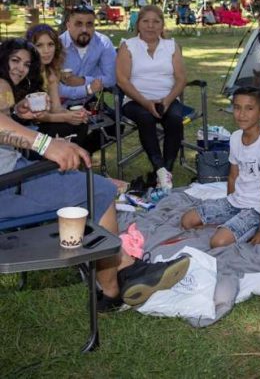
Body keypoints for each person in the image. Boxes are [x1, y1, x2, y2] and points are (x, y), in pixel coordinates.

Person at [0, 94, 190, 312]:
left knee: (90, 184)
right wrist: (44, 143)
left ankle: (125, 267)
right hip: (7, 182)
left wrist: (14, 114)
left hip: (13, 166)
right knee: (98, 190)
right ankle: (113, 290)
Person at [181, 87, 260, 248]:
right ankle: (232, 224)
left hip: (257, 209)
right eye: (237, 107)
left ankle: (250, 227)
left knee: (218, 242)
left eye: (249, 108)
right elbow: (233, 175)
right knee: (187, 221)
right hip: (235, 201)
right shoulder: (235, 137)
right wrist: (229, 204)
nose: (242, 114)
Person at [116, 5, 187, 190]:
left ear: (162, 25)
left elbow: (181, 79)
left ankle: (166, 172)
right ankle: (160, 170)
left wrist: (167, 100)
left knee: (174, 118)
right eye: (145, 21)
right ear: (138, 24)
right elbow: (122, 81)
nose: (151, 26)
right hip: (135, 101)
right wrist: (146, 103)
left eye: (156, 21)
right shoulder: (128, 46)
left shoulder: (171, 46)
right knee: (146, 117)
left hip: (168, 98)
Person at [24, 26, 89, 146]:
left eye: (50, 44)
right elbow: (37, 116)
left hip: (43, 121)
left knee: (81, 123)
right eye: (39, 45)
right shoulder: (25, 73)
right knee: (66, 127)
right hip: (26, 129)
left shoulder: (50, 72)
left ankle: (71, 161)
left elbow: (56, 108)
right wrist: (66, 117)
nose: (46, 50)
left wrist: (74, 115)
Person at [58, 5, 116, 103]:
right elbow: (54, 88)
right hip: (59, 106)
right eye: (78, 24)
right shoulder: (56, 46)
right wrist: (88, 88)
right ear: (68, 26)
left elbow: (111, 79)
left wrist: (83, 81)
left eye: (89, 24)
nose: (84, 29)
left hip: (88, 105)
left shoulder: (102, 43)